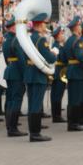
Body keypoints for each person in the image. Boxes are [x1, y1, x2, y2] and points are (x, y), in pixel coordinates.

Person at [24, 12, 56, 142]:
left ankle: (33, 132)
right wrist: (54, 53)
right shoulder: (41, 40)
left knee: (32, 104)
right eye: (44, 23)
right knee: (36, 105)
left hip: (30, 74)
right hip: (38, 75)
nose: (45, 26)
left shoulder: (28, 38)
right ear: (38, 24)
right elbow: (50, 57)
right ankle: (35, 133)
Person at [2, 17, 27, 137]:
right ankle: (13, 128)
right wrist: (26, 73)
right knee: (16, 100)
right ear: (13, 27)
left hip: (10, 71)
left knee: (11, 100)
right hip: (17, 72)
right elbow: (22, 60)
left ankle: (9, 126)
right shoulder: (16, 40)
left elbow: (7, 59)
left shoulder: (6, 40)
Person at [64, 17, 83, 132]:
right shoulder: (77, 40)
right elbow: (80, 56)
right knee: (76, 99)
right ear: (76, 27)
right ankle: (74, 123)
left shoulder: (68, 40)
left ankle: (72, 123)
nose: (80, 27)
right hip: (77, 71)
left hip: (71, 70)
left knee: (72, 98)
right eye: (79, 26)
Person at [50, 25, 68, 124]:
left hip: (60, 71)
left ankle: (57, 115)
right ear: (57, 36)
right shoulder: (56, 46)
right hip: (58, 72)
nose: (63, 35)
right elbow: (60, 59)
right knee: (57, 94)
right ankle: (56, 116)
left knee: (58, 94)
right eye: (61, 34)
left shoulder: (59, 45)